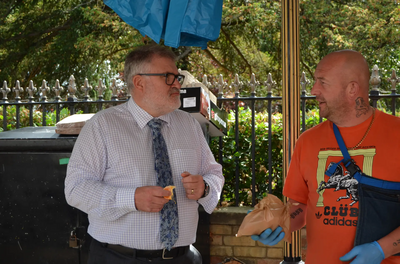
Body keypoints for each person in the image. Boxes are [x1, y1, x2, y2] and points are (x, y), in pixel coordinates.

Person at [65, 44, 224, 264]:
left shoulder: (189, 125)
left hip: (182, 258)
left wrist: (205, 187)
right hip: (118, 258)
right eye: (168, 77)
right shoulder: (102, 126)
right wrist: (132, 198)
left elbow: (214, 173)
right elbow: (76, 189)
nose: (177, 84)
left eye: (178, 77)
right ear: (139, 82)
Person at [251, 50, 400, 264]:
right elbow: (302, 205)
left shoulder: (396, 134)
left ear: (352, 89)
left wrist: (381, 249)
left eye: (322, 82)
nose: (314, 90)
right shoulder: (308, 141)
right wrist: (280, 223)